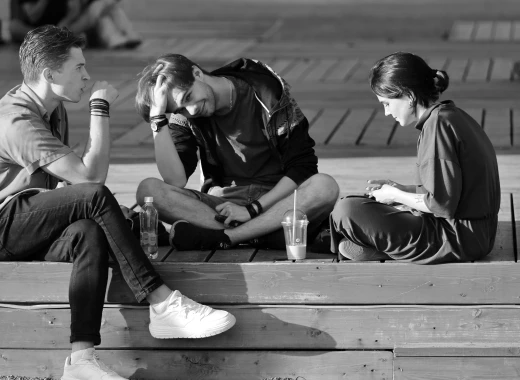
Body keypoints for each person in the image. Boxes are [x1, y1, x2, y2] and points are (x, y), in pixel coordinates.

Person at [0, 26, 236, 380]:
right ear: (50, 75)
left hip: (20, 219)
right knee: (95, 198)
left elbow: (75, 183)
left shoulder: (51, 110)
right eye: (78, 68)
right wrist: (100, 108)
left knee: (90, 231)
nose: (87, 76)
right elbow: (89, 179)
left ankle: (81, 361)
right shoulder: (16, 120)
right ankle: (163, 302)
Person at [133, 54, 340, 251]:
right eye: (181, 109)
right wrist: (157, 120)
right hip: (222, 208)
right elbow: (175, 180)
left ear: (197, 73)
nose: (192, 110)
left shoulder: (266, 93)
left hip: (276, 202)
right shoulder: (185, 118)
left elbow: (303, 167)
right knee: (148, 191)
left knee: (325, 186)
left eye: (189, 97)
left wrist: (252, 210)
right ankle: (262, 235)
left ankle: (230, 237)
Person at [330, 52, 500, 263]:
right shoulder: (451, 116)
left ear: (409, 96)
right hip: (474, 235)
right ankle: (383, 248)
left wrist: (396, 195)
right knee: (363, 206)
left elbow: (440, 205)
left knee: (347, 210)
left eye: (387, 103)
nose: (386, 112)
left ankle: (383, 247)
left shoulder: (438, 127)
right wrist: (401, 189)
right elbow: (453, 192)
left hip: (456, 239)